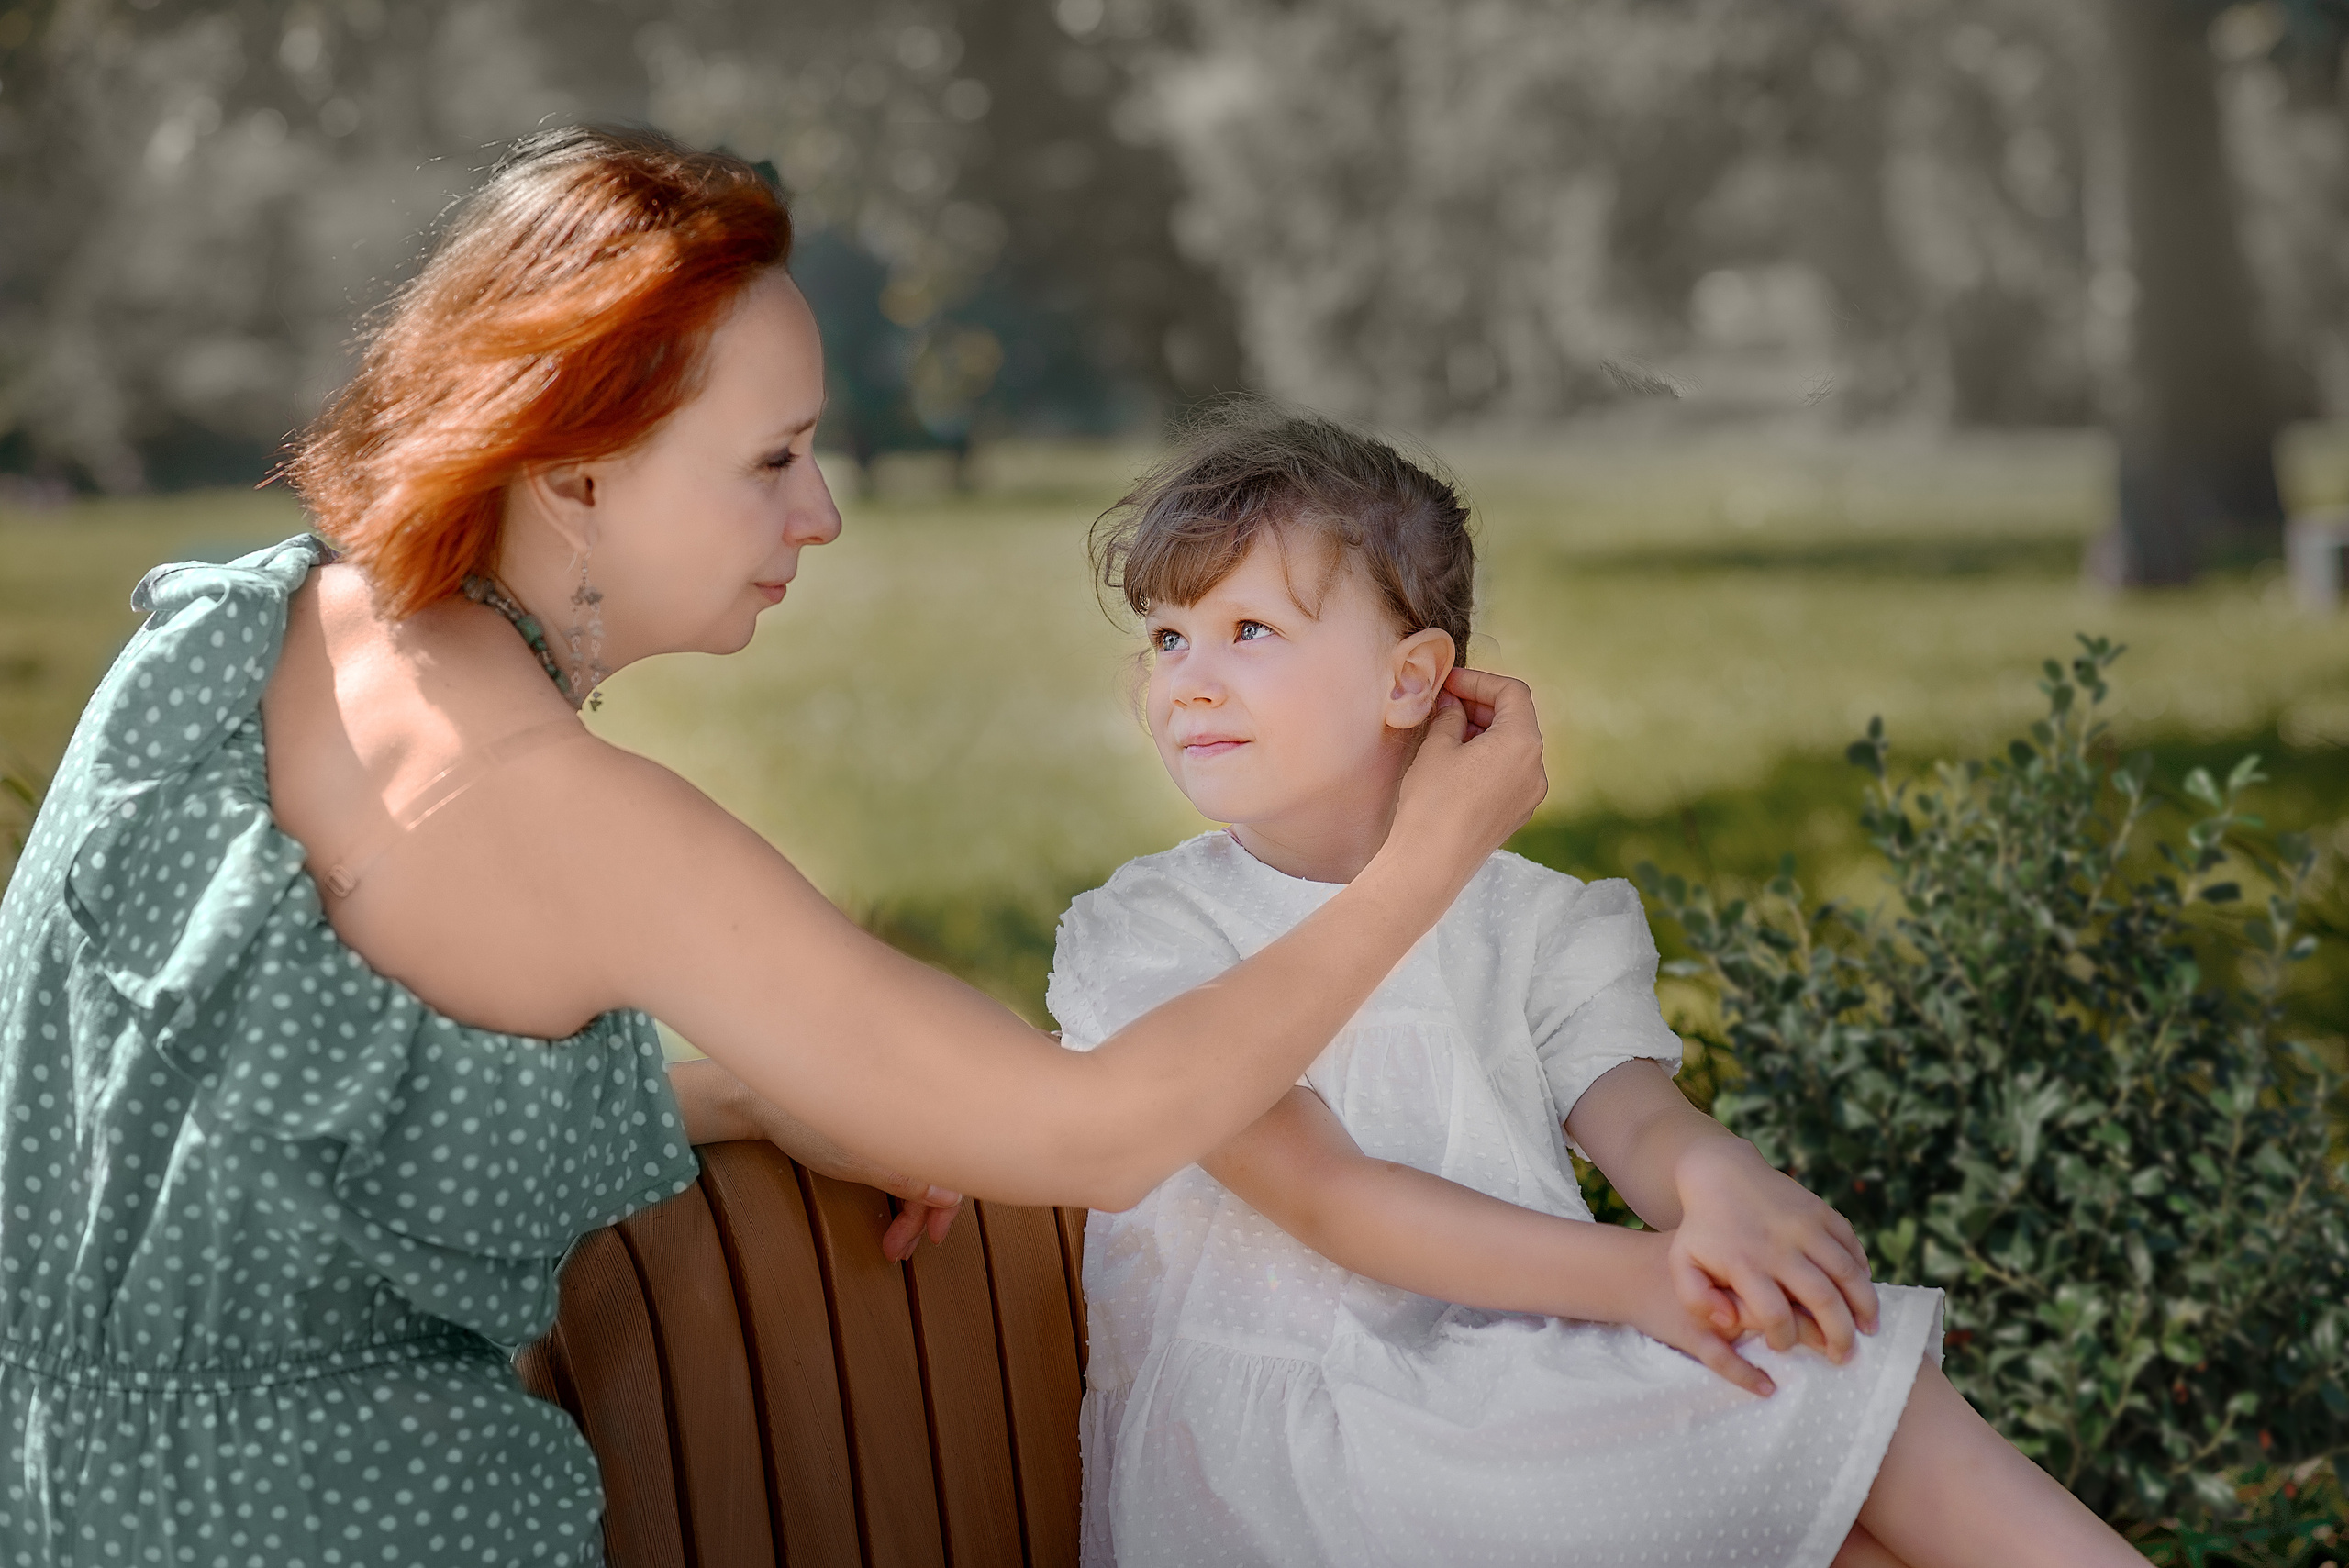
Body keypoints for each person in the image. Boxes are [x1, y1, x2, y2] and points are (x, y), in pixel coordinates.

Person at [0, 130, 1549, 1567]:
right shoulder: (560, 813)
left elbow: (262, 1136)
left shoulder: (240, 625)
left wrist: (737, 1092)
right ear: (575, 469)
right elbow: (1094, 1134)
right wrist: (1423, 861)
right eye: (773, 457)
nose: (821, 513)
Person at [1052, 407, 2144, 1568]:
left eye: (1248, 630)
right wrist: (1647, 1278)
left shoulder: (1524, 920)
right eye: (1167, 637)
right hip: (1301, 1455)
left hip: (1494, 1393)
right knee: (1839, 1404)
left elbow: (1641, 1117)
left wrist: (1721, 1190)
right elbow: (1332, 1197)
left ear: (1410, 678)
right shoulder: (1153, 935)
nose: (1189, 682)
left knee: (1841, 1486)